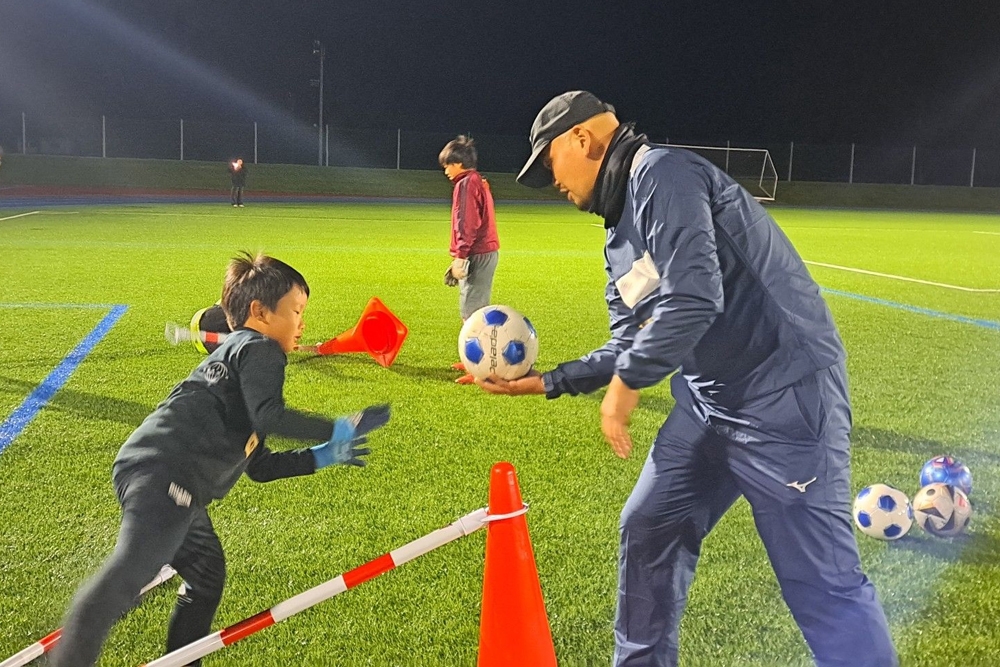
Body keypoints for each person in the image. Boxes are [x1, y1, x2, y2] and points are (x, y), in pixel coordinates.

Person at [479, 91, 897, 667]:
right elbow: (629, 339)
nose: (550, 180)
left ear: (582, 138)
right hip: (709, 406)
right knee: (649, 528)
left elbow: (695, 296)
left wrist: (627, 385)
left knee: (822, 586)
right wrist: (553, 381)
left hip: (784, 400)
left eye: (548, 161)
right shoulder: (617, 235)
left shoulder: (663, 173)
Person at [52, 252, 391, 667]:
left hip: (172, 480)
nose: (302, 323)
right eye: (296, 311)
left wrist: (321, 457)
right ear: (260, 312)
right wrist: (339, 427)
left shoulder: (241, 362)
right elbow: (271, 416)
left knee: (207, 575)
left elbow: (259, 467)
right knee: (124, 578)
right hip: (167, 474)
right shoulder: (260, 349)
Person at [439, 135, 500, 384]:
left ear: (459, 163)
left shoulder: (466, 184)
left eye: (448, 165)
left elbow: (467, 222)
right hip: (483, 251)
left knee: (472, 312)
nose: (445, 170)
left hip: (478, 252)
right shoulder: (476, 181)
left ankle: (479, 367)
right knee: (472, 309)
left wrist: (460, 256)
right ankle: (470, 359)